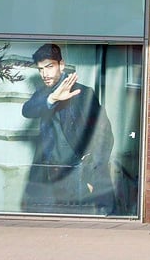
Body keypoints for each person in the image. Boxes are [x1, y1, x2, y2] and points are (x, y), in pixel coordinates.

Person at [21, 43, 114, 214]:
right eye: (40, 69)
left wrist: (93, 173)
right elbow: (27, 110)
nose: (44, 74)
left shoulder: (83, 93)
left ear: (61, 65)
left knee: (79, 223)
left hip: (78, 173)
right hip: (50, 172)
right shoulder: (43, 94)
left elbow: (104, 134)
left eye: (49, 67)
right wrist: (52, 99)